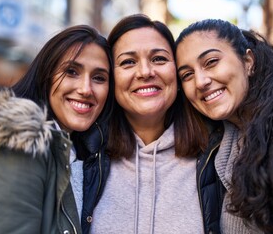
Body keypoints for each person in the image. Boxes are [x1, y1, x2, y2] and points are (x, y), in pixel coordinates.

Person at [0, 25, 114, 234]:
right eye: (71, 72)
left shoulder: (73, 149)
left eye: (99, 78)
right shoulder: (18, 140)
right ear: (45, 75)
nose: (85, 89)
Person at [176, 19, 273, 234]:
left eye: (211, 62)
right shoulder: (216, 143)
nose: (200, 81)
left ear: (248, 61)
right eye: (187, 75)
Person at [89, 14, 224, 234]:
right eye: (128, 62)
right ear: (111, 79)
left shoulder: (217, 154)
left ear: (179, 74)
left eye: (159, 59)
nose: (145, 72)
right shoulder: (84, 155)